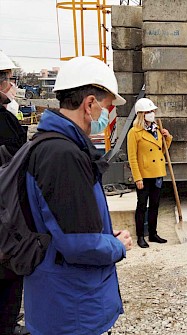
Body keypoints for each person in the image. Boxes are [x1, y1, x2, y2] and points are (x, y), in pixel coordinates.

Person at [23, 56, 133, 334]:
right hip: (72, 310)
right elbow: (78, 244)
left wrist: (104, 235)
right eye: (107, 107)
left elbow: (67, 224)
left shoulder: (51, 145)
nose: (107, 115)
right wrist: (117, 246)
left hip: (61, 300)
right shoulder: (63, 156)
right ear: (90, 104)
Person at [0, 50, 28, 335]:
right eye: (8, 79)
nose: (12, 84)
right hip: (5, 214)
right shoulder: (5, 120)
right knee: (10, 274)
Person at [127, 98, 172, 248]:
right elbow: (132, 158)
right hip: (144, 176)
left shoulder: (157, 129)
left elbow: (161, 151)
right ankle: (140, 236)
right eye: (149, 112)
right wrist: (137, 177)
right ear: (141, 114)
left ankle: (153, 233)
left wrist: (167, 138)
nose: (152, 114)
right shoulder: (134, 133)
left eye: (152, 111)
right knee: (141, 206)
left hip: (158, 172)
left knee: (155, 205)